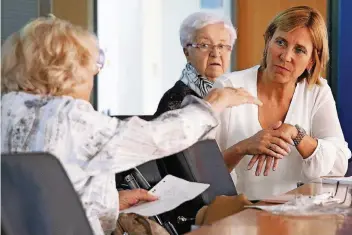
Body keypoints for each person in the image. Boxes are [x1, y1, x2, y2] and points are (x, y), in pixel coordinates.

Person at [0, 16, 262, 235]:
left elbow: (44, 196)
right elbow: (157, 138)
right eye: (93, 68)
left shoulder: (6, 111)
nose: (92, 79)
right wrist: (214, 102)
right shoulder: (70, 118)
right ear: (68, 71)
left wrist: (112, 201)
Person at [213, 6, 351, 200]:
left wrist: (297, 134)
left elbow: (339, 164)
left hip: (297, 217)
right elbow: (201, 174)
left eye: (300, 50)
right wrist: (242, 147)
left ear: (312, 61)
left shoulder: (317, 92)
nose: (286, 56)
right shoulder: (228, 87)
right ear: (268, 40)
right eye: (281, 42)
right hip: (236, 214)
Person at [154, 11, 237, 117]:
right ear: (187, 52)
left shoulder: (233, 91)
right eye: (204, 45)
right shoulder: (176, 99)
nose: (216, 53)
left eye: (221, 46)